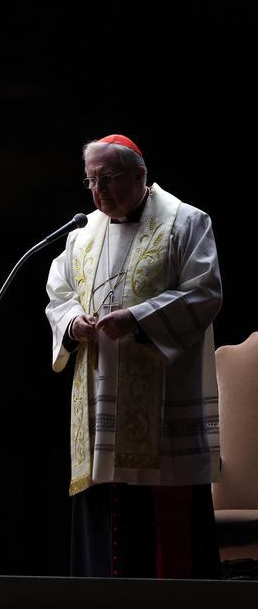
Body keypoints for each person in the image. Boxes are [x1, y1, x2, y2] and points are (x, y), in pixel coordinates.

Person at [45, 134, 223, 579]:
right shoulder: (81, 237)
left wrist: (139, 319)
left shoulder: (185, 222)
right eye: (90, 181)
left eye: (107, 179)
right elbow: (59, 295)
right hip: (101, 401)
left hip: (161, 407)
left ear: (140, 175)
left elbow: (204, 292)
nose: (97, 192)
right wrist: (73, 325)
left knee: (163, 537)